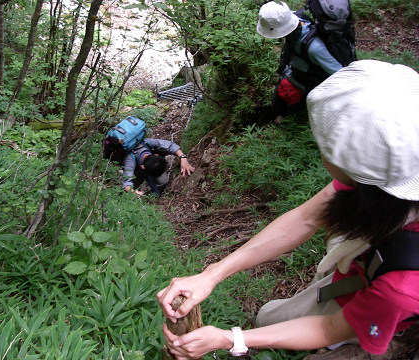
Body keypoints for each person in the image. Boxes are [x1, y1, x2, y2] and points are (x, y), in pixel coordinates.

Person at [157, 60, 419, 359]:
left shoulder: (401, 286)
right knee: (268, 316)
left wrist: (230, 339)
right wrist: (211, 275)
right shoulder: (392, 173)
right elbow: (306, 218)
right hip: (359, 271)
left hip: (385, 307)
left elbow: (330, 329)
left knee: (326, 338)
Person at [257, 1, 343, 124]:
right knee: (277, 100)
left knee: (290, 107)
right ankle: (279, 115)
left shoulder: (314, 48)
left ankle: (286, 121)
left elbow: (338, 71)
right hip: (293, 72)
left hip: (307, 82)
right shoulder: (293, 19)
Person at [122, 138, 195, 196]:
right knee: (136, 181)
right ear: (143, 167)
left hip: (146, 166)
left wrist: (183, 158)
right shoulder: (130, 160)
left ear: (156, 155)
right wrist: (134, 192)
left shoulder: (148, 143)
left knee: (163, 181)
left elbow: (171, 145)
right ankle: (144, 188)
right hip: (136, 169)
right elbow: (126, 182)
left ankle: (151, 191)